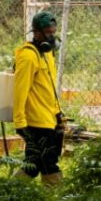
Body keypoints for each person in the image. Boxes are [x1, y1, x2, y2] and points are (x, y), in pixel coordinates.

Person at [13, 10, 65, 186]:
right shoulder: (28, 56)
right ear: (36, 32)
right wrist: (20, 123)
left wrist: (58, 113)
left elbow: (48, 87)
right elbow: (20, 91)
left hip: (48, 118)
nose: (52, 36)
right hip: (36, 122)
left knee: (33, 165)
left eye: (53, 32)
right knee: (49, 164)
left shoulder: (48, 53)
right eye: (48, 32)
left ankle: (7, 194)